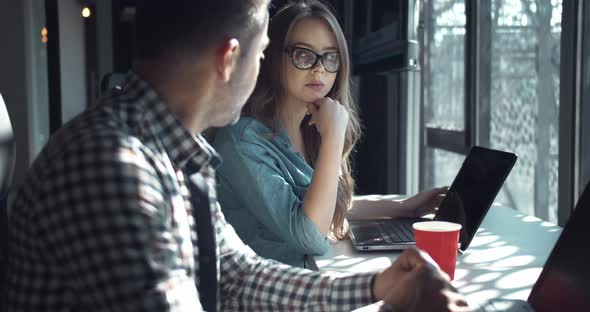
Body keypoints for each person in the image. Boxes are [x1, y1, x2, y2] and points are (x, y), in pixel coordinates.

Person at [3, 1, 467, 311]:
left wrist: (377, 286)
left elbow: (236, 274)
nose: (262, 68)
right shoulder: (114, 166)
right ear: (229, 59)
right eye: (263, 53)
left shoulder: (173, 152)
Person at [212, 0, 447, 268]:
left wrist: (406, 209)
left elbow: (326, 206)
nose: (319, 68)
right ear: (274, 57)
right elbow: (311, 235)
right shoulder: (243, 141)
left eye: (330, 56)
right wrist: (334, 138)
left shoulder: (309, 128)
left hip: (309, 282)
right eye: (303, 54)